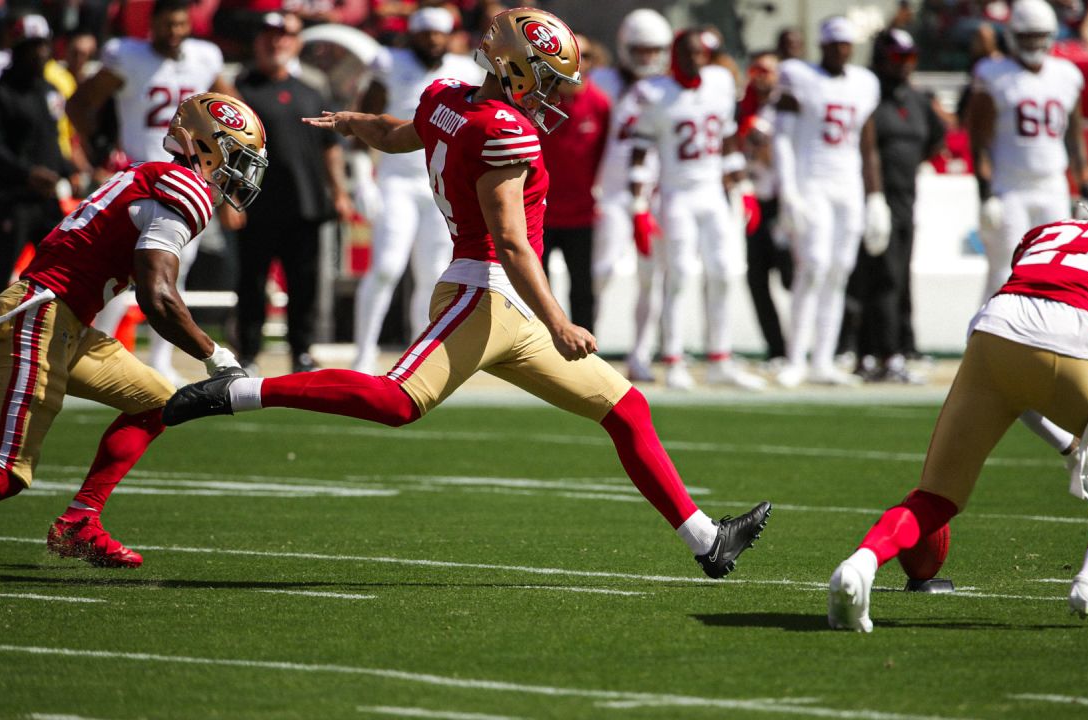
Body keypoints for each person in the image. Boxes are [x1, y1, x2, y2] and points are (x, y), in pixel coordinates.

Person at [164, 8, 772, 580]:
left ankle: (707, 543)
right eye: (546, 80)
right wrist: (559, 321)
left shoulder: (446, 100)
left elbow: (401, 134)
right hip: (482, 295)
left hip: (502, 305)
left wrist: (354, 125)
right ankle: (240, 391)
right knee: (396, 402)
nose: (553, 95)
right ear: (514, 69)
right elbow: (510, 242)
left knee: (625, 408)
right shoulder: (505, 132)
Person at [0, 93, 266, 572]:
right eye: (236, 158)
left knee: (158, 400)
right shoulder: (183, 186)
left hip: (63, 320)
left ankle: (80, 521)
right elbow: (157, 297)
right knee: (4, 473)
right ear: (205, 144)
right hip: (42, 314)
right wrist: (216, 355)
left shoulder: (153, 175)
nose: (237, 173)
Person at [827, 161, 1088, 632]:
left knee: (936, 496)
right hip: (1073, 330)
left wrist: (1070, 443)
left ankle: (859, 566)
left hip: (991, 333)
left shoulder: (1051, 230)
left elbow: (1019, 364)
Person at [67, 0, 230, 385]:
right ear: (152, 25)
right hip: (141, 178)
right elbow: (80, 103)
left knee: (178, 269)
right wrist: (97, 148)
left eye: (181, 23)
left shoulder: (205, 58)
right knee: (123, 270)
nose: (175, 31)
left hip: (186, 180)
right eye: (167, 24)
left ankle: (160, 356)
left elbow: (231, 107)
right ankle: (93, 345)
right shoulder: (128, 56)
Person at [625, 29, 765, 391]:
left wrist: (744, 187)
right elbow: (639, 155)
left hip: (713, 193)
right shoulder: (657, 94)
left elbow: (729, 138)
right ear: (674, 56)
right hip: (676, 194)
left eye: (700, 53)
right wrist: (638, 207)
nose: (695, 59)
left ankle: (719, 357)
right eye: (688, 53)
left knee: (723, 272)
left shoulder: (719, 83)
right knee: (681, 274)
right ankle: (673, 358)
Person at [351, 6, 483, 374]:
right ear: (412, 34)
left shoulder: (465, 70)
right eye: (426, 33)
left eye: (439, 34)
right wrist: (363, 178)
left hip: (441, 185)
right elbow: (367, 122)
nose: (433, 40)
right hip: (396, 180)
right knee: (386, 268)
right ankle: (363, 353)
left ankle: (417, 356)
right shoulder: (389, 63)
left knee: (434, 274)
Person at [234, 12, 353, 374]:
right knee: (252, 284)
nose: (277, 43)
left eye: (284, 36)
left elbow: (328, 146)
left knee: (304, 285)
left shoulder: (311, 90)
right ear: (257, 41)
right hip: (255, 203)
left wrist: (340, 192)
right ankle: (248, 353)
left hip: (305, 203)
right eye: (270, 35)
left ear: (296, 42)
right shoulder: (241, 89)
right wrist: (228, 197)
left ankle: (301, 351)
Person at [772, 16, 886, 388]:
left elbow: (868, 147)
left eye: (846, 44)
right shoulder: (799, 77)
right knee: (814, 266)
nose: (841, 50)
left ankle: (822, 359)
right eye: (834, 43)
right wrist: (788, 190)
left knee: (839, 270)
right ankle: (795, 358)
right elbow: (783, 138)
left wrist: (875, 197)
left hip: (848, 186)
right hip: (813, 183)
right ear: (822, 44)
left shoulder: (864, 83)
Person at [0, 15, 79, 376]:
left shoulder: (49, 91)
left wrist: (71, 169)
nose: (39, 54)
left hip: (46, 199)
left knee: (63, 271)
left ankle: (59, 345)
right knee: (1, 272)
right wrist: (27, 174)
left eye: (43, 46)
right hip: (13, 198)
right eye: (30, 48)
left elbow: (51, 142)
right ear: (16, 50)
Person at [967, 0, 1088, 301]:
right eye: (1026, 35)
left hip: (1052, 185)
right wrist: (985, 191)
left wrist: (1084, 183)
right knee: (1003, 272)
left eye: (1039, 34)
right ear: (1012, 35)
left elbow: (1074, 135)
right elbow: (978, 137)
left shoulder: (1067, 75)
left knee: (1054, 269)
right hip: (1009, 188)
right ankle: (987, 343)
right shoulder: (993, 73)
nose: (1033, 42)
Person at [845, 29, 946, 383]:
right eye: (896, 58)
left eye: (909, 58)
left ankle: (892, 349)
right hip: (874, 199)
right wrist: (873, 197)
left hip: (906, 199)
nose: (904, 66)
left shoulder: (917, 100)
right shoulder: (869, 96)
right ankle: (879, 353)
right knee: (879, 280)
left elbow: (936, 138)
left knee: (898, 279)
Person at [588, 8, 673, 382]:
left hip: (653, 192)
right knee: (602, 270)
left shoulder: (669, 88)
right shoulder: (602, 81)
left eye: (653, 50)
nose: (647, 58)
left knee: (651, 275)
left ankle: (641, 353)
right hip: (609, 190)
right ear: (625, 47)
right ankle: (591, 342)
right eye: (640, 50)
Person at [538, 32, 608, 332]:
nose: (578, 63)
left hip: (581, 214)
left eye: (586, 56)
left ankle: (586, 354)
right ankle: (538, 352)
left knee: (582, 288)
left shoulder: (600, 104)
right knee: (538, 289)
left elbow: (607, 158)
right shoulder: (538, 100)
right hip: (539, 213)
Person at [737, 49, 791, 364]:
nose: (763, 77)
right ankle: (777, 347)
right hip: (754, 200)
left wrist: (765, 144)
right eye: (758, 70)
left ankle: (807, 345)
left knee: (792, 276)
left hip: (784, 203)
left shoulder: (786, 109)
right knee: (757, 278)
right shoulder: (741, 109)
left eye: (769, 71)